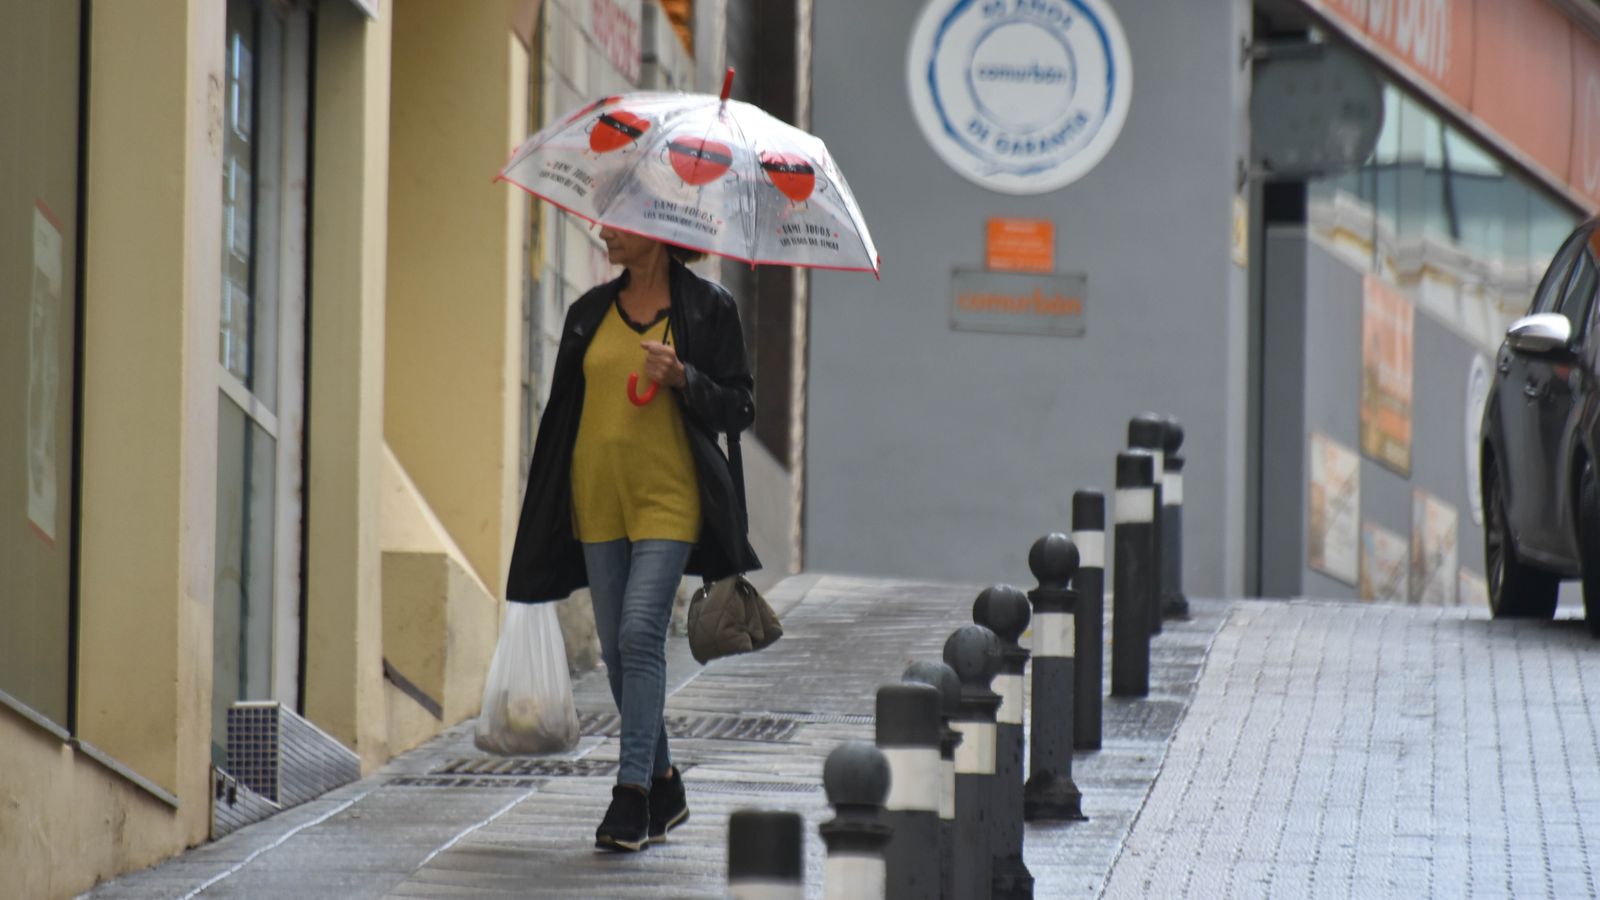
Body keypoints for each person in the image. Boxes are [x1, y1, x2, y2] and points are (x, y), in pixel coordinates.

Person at [505, 226, 760, 852]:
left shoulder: (708, 309)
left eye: (617, 223)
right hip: (597, 499)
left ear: (655, 231)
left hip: (669, 499)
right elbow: (565, 413)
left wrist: (685, 378)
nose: (603, 233)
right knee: (619, 655)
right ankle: (665, 781)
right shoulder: (588, 313)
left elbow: (741, 406)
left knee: (640, 632)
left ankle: (631, 795)